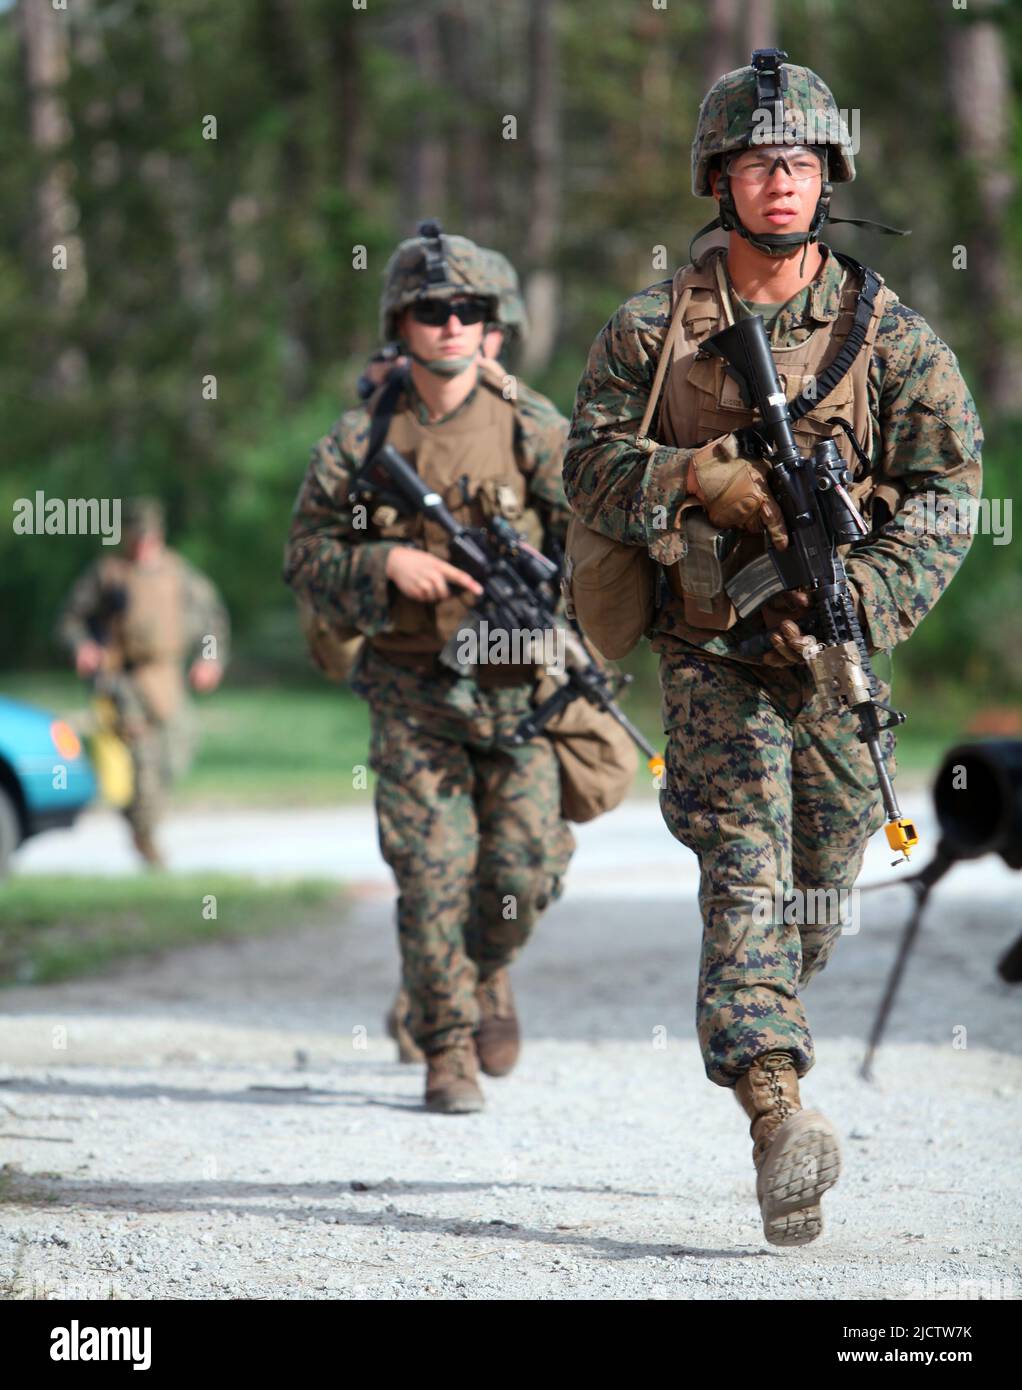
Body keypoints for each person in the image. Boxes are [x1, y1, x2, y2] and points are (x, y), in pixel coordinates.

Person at [562, 50, 982, 1244]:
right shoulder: (656, 326)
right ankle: (775, 1119)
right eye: (756, 163)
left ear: (827, 175)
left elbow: (948, 486)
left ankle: (765, 1021)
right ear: (719, 180)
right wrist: (695, 476)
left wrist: (862, 590)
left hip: (832, 652)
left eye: (797, 162)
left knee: (816, 894)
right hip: (709, 654)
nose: (778, 181)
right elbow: (582, 460)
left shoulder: (884, 333)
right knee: (743, 872)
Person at [283, 222, 576, 1113]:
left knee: (524, 872)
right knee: (430, 870)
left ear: (496, 325)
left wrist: (557, 619)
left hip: (519, 691)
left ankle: (481, 976)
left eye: (470, 311)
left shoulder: (535, 429)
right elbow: (304, 555)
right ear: (401, 323)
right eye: (431, 310)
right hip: (413, 693)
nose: (451, 325)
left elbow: (596, 558)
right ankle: (445, 1047)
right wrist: (384, 567)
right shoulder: (361, 438)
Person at [58, 497, 229, 867]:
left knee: (175, 754)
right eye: (135, 536)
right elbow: (71, 619)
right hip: (123, 680)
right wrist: (83, 646)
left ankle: (140, 820)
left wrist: (210, 659)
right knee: (144, 762)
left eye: (147, 536)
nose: (141, 544)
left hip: (167, 679)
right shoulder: (108, 574)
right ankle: (147, 839)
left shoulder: (178, 574)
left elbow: (212, 621)